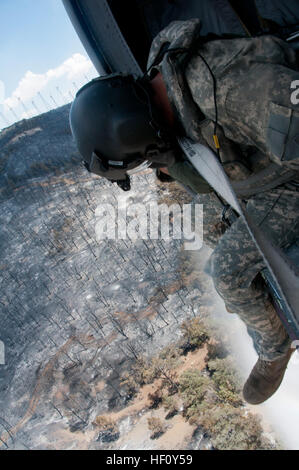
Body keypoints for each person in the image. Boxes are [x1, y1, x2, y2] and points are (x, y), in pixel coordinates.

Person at [70, 19, 299, 404]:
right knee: (204, 218)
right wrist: (177, 162)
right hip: (266, 169)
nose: (152, 166)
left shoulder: (225, 90)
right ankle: (271, 302)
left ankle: (276, 350)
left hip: (290, 177)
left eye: (144, 160)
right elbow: (217, 171)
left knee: (227, 271)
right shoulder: (170, 91)